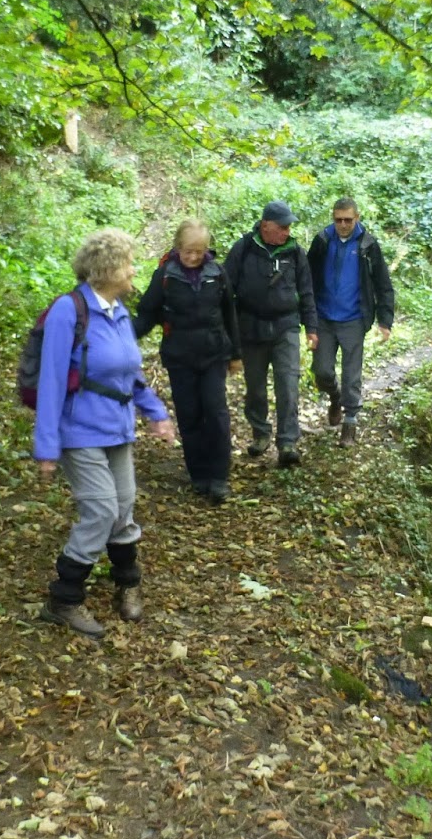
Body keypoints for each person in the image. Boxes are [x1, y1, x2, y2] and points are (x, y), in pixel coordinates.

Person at [33, 228, 175, 638]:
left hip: (117, 428)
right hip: (79, 431)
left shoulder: (119, 311)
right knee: (101, 510)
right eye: (129, 263)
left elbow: (130, 374)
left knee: (124, 505)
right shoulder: (68, 310)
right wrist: (46, 447)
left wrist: (155, 414)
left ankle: (127, 585)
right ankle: (63, 598)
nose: (134, 270)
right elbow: (52, 381)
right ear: (108, 268)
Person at [134, 219, 242, 504]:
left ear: (206, 249)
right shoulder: (165, 275)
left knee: (216, 413)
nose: (193, 257)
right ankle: (199, 475)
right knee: (189, 414)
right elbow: (147, 312)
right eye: (188, 251)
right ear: (177, 247)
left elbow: (230, 313)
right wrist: (123, 337)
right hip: (180, 356)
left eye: (199, 251)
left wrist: (236, 355)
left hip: (213, 354)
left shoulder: (216, 272)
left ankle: (219, 477)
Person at [223, 200, 317, 468]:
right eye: (282, 227)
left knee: (288, 384)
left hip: (286, 326)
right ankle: (260, 433)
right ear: (266, 225)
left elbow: (307, 291)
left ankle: (287, 442)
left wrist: (311, 328)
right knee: (255, 388)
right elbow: (225, 288)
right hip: (251, 328)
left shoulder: (295, 253)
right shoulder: (244, 249)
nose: (287, 231)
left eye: (289, 227)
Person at [308, 197, 395, 446]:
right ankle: (335, 397)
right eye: (338, 220)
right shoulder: (323, 241)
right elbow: (307, 277)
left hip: (354, 318)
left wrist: (384, 320)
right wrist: (306, 313)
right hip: (324, 317)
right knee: (322, 371)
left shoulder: (368, 245)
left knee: (351, 375)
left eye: (348, 220)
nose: (343, 224)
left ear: (357, 218)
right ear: (333, 218)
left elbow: (383, 284)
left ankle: (350, 423)